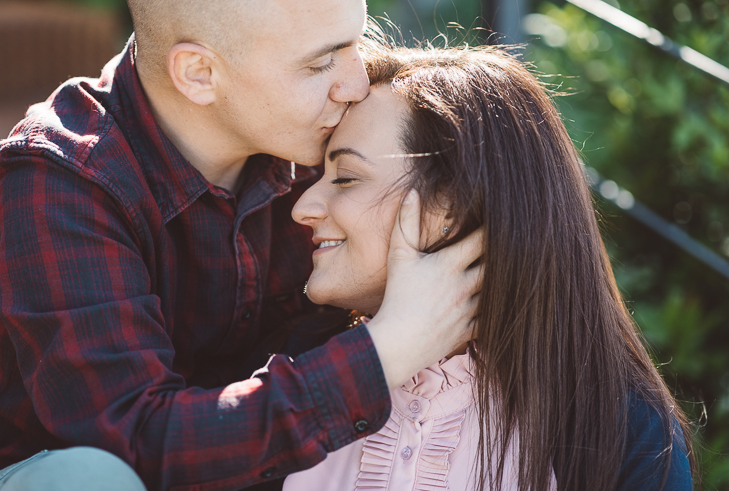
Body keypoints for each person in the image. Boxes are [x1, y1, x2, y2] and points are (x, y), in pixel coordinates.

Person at [0, 0, 483, 490]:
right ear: (200, 74)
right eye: (320, 63)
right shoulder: (60, 178)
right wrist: (391, 348)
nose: (355, 84)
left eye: (357, 43)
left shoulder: (321, 140)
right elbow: (138, 444)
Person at [286, 42, 695, 490]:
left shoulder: (619, 429)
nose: (303, 207)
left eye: (345, 178)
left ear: (457, 207)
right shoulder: (292, 379)